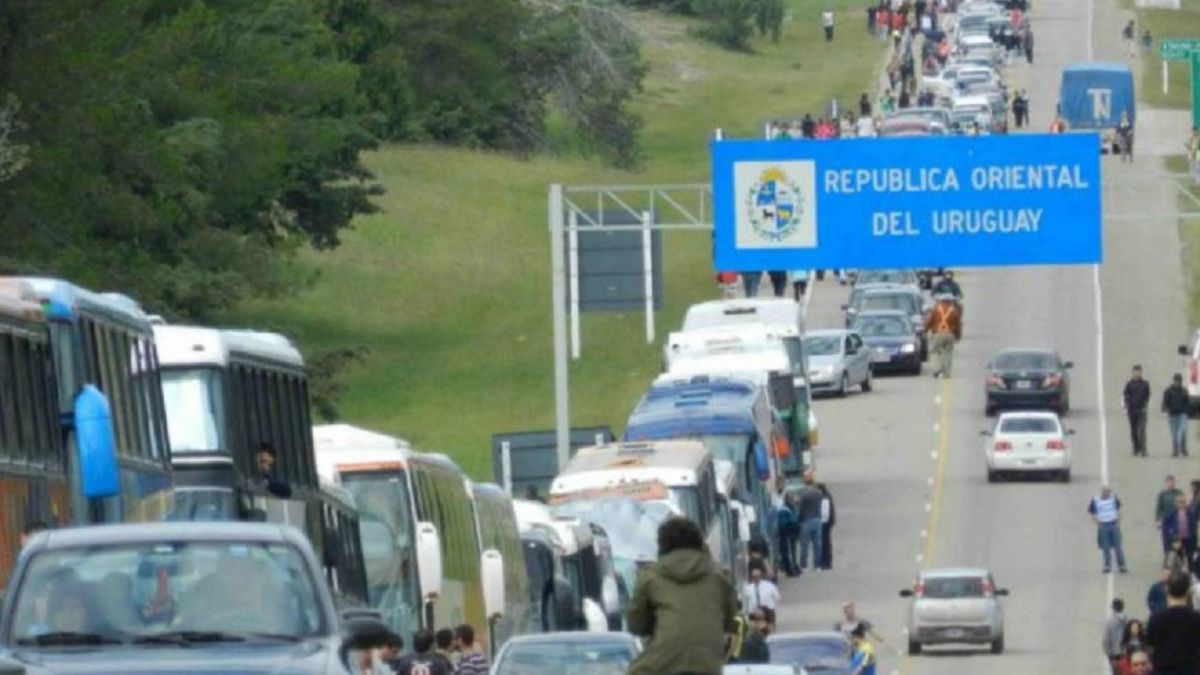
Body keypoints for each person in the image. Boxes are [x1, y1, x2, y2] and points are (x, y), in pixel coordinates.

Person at [627, 517, 737, 675]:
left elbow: (636, 624)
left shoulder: (650, 576)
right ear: (699, 543)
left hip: (663, 661)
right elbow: (731, 622)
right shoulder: (719, 576)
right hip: (708, 664)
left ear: (662, 545)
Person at [1146, 571, 1200, 674]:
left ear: (1166, 589)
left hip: (1163, 670)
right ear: (1189, 590)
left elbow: (1150, 644)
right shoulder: (1196, 618)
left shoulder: (1156, 618)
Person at [1088, 485, 1129, 574]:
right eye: (1104, 492)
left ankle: (1122, 565)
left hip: (1113, 524)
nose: (1106, 493)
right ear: (1101, 492)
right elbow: (1091, 512)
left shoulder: (1113, 498)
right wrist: (1096, 521)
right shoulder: (1096, 500)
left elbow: (1119, 508)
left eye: (1108, 492)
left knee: (1118, 546)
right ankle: (1107, 566)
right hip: (1103, 525)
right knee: (1105, 547)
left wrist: (1119, 517)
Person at [795, 469, 825, 573]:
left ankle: (804, 566)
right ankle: (817, 566)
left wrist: (799, 520)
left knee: (804, 545)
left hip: (806, 521)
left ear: (804, 481)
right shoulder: (819, 493)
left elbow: (801, 508)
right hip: (817, 520)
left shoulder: (804, 494)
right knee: (817, 545)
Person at [925, 297, 962, 378]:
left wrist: (925, 330)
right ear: (949, 303)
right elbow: (958, 325)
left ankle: (937, 368)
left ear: (940, 302)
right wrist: (958, 336)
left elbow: (930, 321)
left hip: (938, 334)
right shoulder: (954, 311)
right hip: (950, 335)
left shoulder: (935, 310)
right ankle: (947, 373)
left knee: (935, 352)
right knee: (948, 354)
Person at [1124, 365, 1151, 456]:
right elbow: (1125, 396)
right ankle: (1136, 448)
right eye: (1135, 372)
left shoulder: (1145, 384)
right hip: (1132, 410)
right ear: (1132, 373)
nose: (1137, 373)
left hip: (1142, 410)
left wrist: (1145, 405)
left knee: (1142, 431)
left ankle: (1143, 450)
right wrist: (1126, 405)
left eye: (1139, 372)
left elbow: (1148, 395)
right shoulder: (1129, 384)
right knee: (1134, 431)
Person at [1163, 495, 1196, 568]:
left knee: (1190, 556)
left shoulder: (1190, 513)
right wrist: (1170, 533)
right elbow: (1165, 525)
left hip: (1188, 538)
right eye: (1180, 502)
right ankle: (1179, 572)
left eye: (1184, 502)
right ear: (1176, 503)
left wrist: (1193, 535)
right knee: (1177, 556)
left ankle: (1191, 572)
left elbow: (1194, 525)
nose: (1183, 504)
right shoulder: (1171, 513)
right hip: (1177, 539)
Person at [775, 482, 799, 577]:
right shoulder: (784, 510)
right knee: (788, 552)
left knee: (792, 552)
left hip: (791, 535)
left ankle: (793, 568)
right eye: (792, 499)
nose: (793, 500)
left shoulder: (790, 508)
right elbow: (783, 524)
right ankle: (791, 570)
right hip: (787, 535)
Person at [1162, 374, 1190, 457]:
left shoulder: (1184, 391)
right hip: (1172, 415)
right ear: (1173, 381)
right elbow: (1165, 402)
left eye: (1178, 381)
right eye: (1176, 381)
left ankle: (1183, 449)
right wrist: (1165, 410)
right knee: (1174, 434)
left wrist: (1186, 411)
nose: (1177, 382)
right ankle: (1175, 450)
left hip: (1182, 414)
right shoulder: (1168, 391)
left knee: (1182, 432)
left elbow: (1187, 402)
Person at [1158, 475, 1185, 557]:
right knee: (1166, 542)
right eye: (1169, 482)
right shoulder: (1162, 494)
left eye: (1173, 482)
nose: (1171, 484)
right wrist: (1157, 520)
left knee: (1177, 541)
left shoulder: (1179, 493)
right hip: (1166, 521)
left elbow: (1183, 505)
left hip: (1177, 521)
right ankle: (1167, 560)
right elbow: (1159, 507)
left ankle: (1180, 559)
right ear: (1166, 483)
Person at [1104, 598, 1128, 673]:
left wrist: (1108, 653)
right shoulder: (1128, 619)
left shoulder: (1110, 621)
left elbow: (1106, 639)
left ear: (1114, 608)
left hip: (1114, 654)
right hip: (1127, 652)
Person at [818, 482, 835, 570]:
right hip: (828, 523)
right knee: (827, 542)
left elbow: (825, 512)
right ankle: (828, 561)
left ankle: (825, 562)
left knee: (824, 543)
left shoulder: (824, 498)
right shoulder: (828, 495)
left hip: (825, 523)